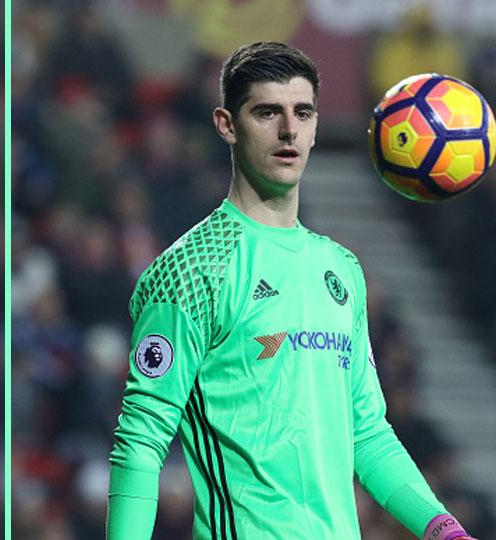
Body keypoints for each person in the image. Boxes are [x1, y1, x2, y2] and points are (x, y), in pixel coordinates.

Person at [106, 42, 476, 540]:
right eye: (267, 112)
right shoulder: (193, 269)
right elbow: (142, 438)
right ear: (226, 125)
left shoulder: (340, 269)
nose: (288, 130)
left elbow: (367, 435)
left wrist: (442, 529)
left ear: (317, 126)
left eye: (302, 112)